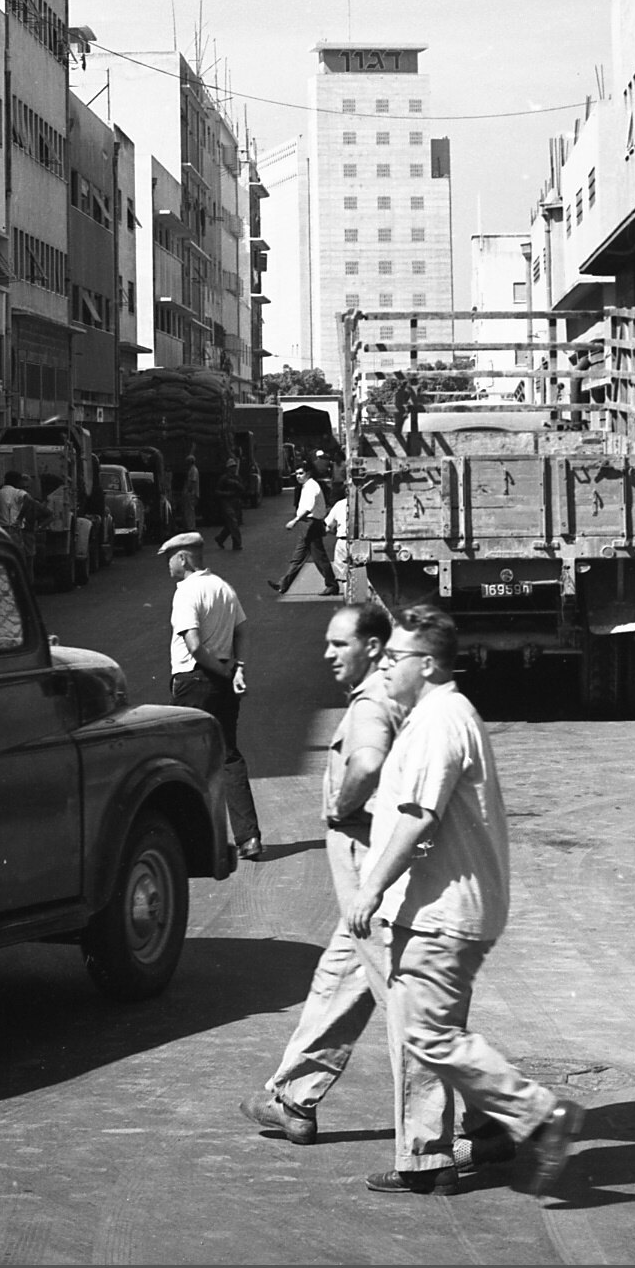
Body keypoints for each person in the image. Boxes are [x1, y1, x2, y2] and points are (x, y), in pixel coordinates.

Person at [350, 605, 582, 1198]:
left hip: (442, 911)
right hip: (440, 907)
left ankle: (540, 1115)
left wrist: (370, 887)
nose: (385, 667)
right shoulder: (439, 715)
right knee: (427, 1028)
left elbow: (419, 818)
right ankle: (465, 1142)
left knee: (428, 1034)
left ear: (427, 664)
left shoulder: (438, 721)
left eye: (395, 657)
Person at [244, 598, 404, 1144]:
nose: (329, 654)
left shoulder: (373, 701)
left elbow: (368, 762)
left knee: (410, 1006)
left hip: (375, 875)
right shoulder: (386, 693)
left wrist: (340, 806)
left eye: (340, 644)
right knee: (338, 979)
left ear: (373, 647)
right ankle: (294, 1097)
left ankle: (491, 1112)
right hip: (367, 882)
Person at [163, 531, 262, 860]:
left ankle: (195, 843)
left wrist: (221, 670)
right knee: (228, 756)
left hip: (194, 681)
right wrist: (237, 669)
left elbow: (193, 645)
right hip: (223, 682)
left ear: (183, 558)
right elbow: (242, 630)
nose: (168, 566)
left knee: (186, 761)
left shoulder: (186, 592)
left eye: (170, 559)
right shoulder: (223, 587)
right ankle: (249, 838)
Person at [270, 462, 341, 598]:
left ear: (308, 473)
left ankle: (332, 585)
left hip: (311, 524)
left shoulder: (311, 487)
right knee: (298, 558)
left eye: (301, 473)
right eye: (296, 473)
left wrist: (294, 521)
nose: (298, 476)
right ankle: (283, 584)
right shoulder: (307, 486)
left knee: (319, 557)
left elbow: (308, 508)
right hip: (307, 525)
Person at [210, 458, 246, 554]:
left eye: (234, 467)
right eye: (232, 467)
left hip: (235, 502)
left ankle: (220, 538)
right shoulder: (224, 479)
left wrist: (237, 484)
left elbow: (243, 489)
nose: (233, 469)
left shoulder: (237, 478)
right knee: (233, 522)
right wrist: (227, 493)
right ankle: (237, 543)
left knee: (232, 524)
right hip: (226, 502)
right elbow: (217, 491)